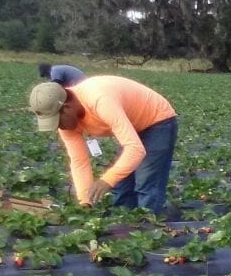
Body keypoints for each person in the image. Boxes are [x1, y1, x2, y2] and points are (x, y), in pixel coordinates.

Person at [28, 76, 178, 212]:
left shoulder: (99, 100)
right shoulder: (66, 122)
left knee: (146, 183)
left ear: (67, 109)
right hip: (131, 124)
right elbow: (79, 161)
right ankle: (124, 228)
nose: (58, 127)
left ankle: (149, 228)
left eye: (57, 122)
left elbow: (135, 149)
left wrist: (106, 180)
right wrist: (85, 202)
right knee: (121, 187)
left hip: (157, 120)